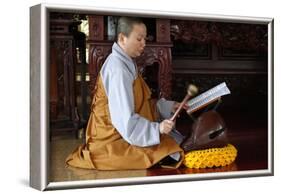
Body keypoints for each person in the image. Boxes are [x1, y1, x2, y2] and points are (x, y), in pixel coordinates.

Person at [66, 17, 186, 170]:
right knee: (170, 149)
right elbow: (125, 121)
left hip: (124, 131)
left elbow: (140, 102)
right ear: (122, 38)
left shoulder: (126, 61)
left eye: (145, 39)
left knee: (173, 143)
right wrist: (157, 129)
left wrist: (170, 107)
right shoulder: (118, 69)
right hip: (112, 139)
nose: (144, 44)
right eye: (139, 39)